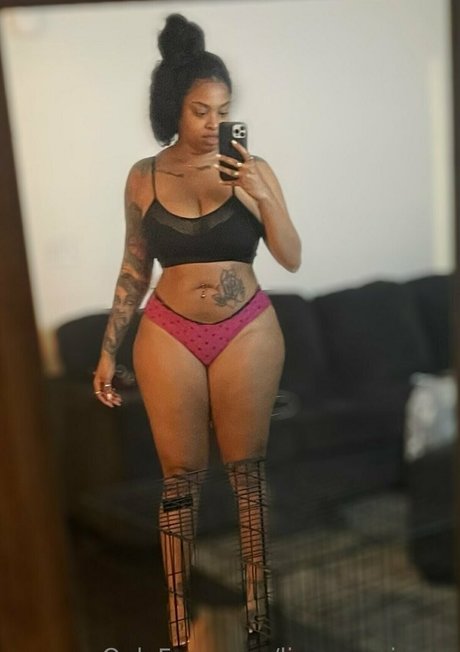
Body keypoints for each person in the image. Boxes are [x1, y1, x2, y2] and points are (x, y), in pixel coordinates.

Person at [93, 13, 301, 650]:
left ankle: (259, 619)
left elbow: (291, 256)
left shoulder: (251, 168)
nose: (214, 124)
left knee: (248, 476)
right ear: (173, 110)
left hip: (248, 329)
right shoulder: (143, 176)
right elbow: (134, 267)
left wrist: (262, 194)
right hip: (168, 333)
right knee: (180, 479)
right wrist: (108, 350)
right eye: (201, 111)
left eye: (224, 111)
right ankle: (179, 626)